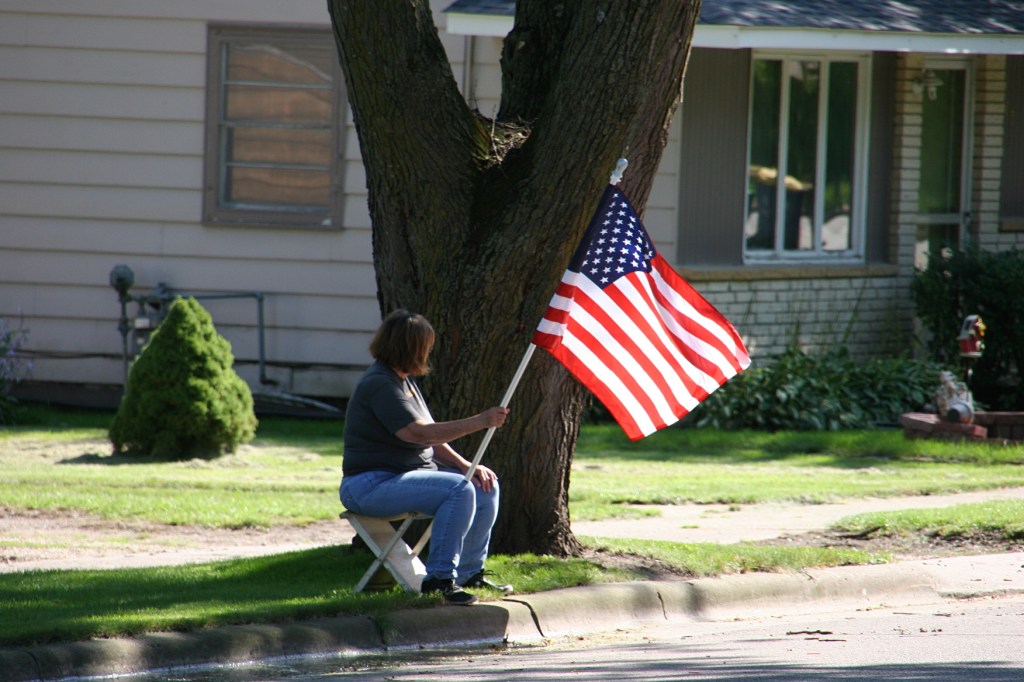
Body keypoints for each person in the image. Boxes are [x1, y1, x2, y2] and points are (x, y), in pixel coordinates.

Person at [340, 309, 512, 605]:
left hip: (401, 479)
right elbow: (419, 435)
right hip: (369, 485)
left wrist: (466, 466)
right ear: (411, 348)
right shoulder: (380, 384)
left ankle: (470, 573)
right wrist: (481, 421)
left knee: (484, 485)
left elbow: (433, 439)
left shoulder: (404, 382)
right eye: (426, 346)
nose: (429, 351)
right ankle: (439, 580)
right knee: (458, 489)